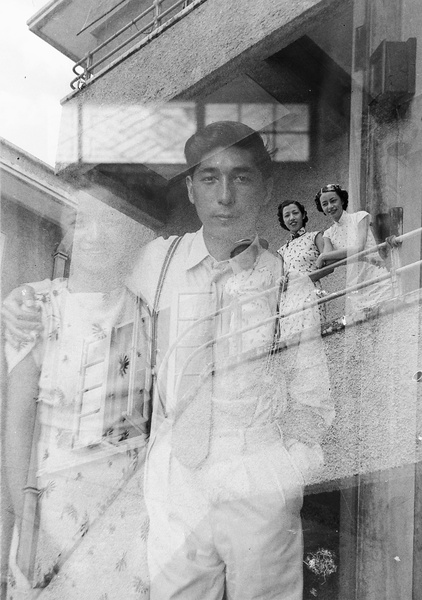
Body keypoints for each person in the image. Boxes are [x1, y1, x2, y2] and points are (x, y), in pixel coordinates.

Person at [3, 122, 334, 600]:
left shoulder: (292, 288)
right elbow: (88, 279)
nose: (224, 196)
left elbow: (313, 404)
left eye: (241, 178)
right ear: (191, 189)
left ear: (267, 189)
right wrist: (20, 301)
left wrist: (283, 477)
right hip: (173, 485)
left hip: (257, 480)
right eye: (209, 179)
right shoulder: (156, 261)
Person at [3, 193, 151, 599]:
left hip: (125, 511)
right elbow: (17, 425)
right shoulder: (37, 306)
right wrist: (28, 519)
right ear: (66, 230)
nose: (94, 236)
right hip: (51, 508)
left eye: (109, 222)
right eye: (81, 221)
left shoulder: (146, 310)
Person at [314, 183, 392, 313]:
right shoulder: (328, 234)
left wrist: (323, 256)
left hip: (376, 275)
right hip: (355, 285)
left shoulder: (360, 217)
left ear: (342, 200)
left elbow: (359, 247)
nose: (330, 206)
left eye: (333, 201)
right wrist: (325, 257)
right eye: (325, 204)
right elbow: (328, 263)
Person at [277, 200, 330, 327]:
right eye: (287, 215)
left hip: (310, 294)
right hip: (289, 300)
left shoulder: (315, 236)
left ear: (303, 215)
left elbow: (329, 267)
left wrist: (304, 279)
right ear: (283, 221)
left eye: (295, 213)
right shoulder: (282, 251)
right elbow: (280, 282)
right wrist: (280, 282)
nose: (292, 218)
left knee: (313, 334)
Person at [225, 238, 274, 353]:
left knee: (263, 354)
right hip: (239, 325)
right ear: (235, 259)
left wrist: (275, 321)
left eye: (248, 252)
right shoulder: (231, 282)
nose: (244, 256)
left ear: (255, 255)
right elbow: (227, 310)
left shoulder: (264, 274)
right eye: (239, 254)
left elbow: (273, 300)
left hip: (261, 321)